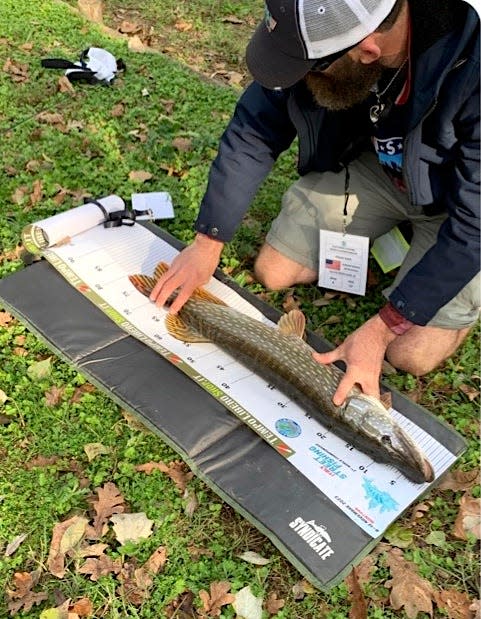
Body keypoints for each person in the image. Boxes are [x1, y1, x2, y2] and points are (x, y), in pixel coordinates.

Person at [150, 0, 480, 405]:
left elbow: (474, 225)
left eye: (311, 69)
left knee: (410, 353)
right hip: (383, 171)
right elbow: (255, 126)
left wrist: (383, 327)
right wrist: (208, 242)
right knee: (273, 271)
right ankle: (396, 230)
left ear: (367, 51)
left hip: (460, 210)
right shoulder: (320, 33)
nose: (298, 78)